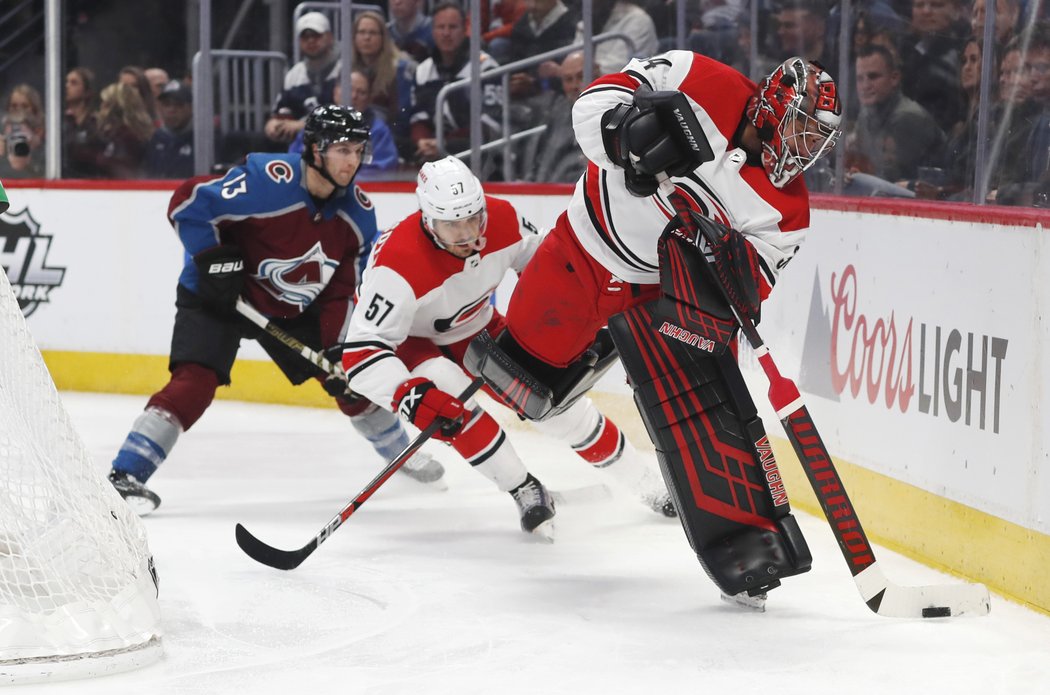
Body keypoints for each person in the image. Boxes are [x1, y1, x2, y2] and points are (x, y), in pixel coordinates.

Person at [466, 52, 842, 607]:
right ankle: (596, 347)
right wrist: (624, 137)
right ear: (769, 107)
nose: (804, 151)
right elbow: (592, 104)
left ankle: (747, 551)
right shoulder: (699, 75)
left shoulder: (788, 214)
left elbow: (743, 297)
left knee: (705, 409)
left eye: (818, 141)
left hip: (657, 294)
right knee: (521, 379)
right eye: (801, 131)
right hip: (583, 248)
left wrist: (715, 255)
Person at [108, 105, 443, 515]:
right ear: (315, 150)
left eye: (358, 150)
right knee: (195, 383)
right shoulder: (268, 182)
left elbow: (341, 290)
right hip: (218, 296)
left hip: (292, 305)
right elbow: (187, 202)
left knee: (348, 380)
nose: (352, 160)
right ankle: (126, 475)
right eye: (342, 149)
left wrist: (338, 348)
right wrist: (214, 259)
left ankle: (401, 455)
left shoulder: (358, 215)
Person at [340, 156, 674, 539]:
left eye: (472, 218)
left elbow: (548, 268)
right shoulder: (396, 266)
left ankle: (646, 483)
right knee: (447, 394)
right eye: (452, 225)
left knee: (558, 408)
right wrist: (408, 396)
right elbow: (361, 355)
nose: (466, 234)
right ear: (428, 221)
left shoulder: (503, 218)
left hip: (478, 327)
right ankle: (523, 488)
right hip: (414, 345)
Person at [410, 2, 501, 166]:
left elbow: (490, 126)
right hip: (434, 158)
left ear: (465, 28)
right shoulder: (423, 70)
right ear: (432, 30)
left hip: (479, 160)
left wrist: (445, 144)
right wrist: (422, 141)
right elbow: (419, 116)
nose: (446, 33)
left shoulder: (486, 67)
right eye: (441, 27)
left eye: (452, 27)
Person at [845, 43, 944, 189]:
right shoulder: (865, 114)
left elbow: (892, 179)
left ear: (894, 78)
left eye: (873, 77)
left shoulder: (909, 117)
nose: (865, 86)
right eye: (860, 79)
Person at [264, 12, 340, 147]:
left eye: (316, 35)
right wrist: (274, 123)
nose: (311, 41)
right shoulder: (294, 74)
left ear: (329, 37)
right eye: (305, 37)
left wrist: (303, 125)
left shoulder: (344, 70)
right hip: (301, 144)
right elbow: (282, 109)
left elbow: (344, 115)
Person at [518, 51, 591, 182]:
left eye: (581, 77)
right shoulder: (556, 114)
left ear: (596, 74)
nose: (575, 86)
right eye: (568, 79)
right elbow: (542, 161)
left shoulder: (610, 115)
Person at [94, 82, 155, 179]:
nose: (100, 107)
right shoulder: (112, 134)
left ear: (116, 107)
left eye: (105, 104)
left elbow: (124, 170)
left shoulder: (129, 138)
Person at [145, 79, 195, 179]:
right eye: (166, 104)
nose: (171, 110)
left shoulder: (203, 139)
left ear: (190, 107)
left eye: (178, 104)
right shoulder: (156, 138)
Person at [61, 66, 103, 178]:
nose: (67, 86)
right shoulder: (59, 122)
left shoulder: (97, 123)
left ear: (87, 92)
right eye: (66, 82)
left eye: (74, 83)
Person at [0, 84, 46, 179]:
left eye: (25, 106)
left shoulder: (49, 139)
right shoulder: (2, 132)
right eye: (14, 105)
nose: (19, 110)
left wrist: (34, 150)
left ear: (35, 109)